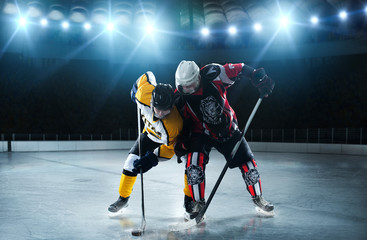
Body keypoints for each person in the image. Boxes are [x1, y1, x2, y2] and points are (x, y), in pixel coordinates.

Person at [174, 60, 275, 220]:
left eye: (192, 84)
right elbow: (178, 123)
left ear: (198, 77)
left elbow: (240, 68)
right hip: (201, 132)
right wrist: (181, 142)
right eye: (184, 86)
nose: (188, 89)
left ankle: (258, 197)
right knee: (193, 162)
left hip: (227, 129)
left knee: (248, 162)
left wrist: (257, 76)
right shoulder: (179, 98)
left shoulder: (213, 74)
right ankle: (197, 203)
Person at [108, 71, 183, 213]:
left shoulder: (175, 124)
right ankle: (123, 198)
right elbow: (148, 75)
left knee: (188, 163)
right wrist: (135, 88)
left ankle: (190, 200)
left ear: (172, 106)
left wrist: (153, 158)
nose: (160, 113)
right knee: (130, 163)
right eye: (157, 108)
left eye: (165, 110)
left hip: (163, 141)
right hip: (147, 134)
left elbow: (171, 149)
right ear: (152, 102)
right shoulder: (143, 95)